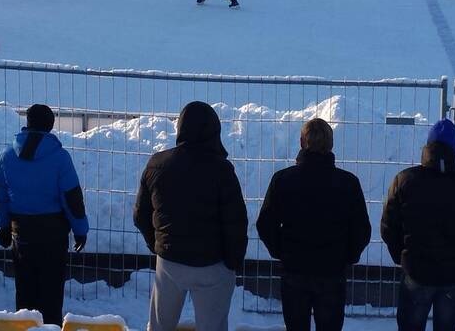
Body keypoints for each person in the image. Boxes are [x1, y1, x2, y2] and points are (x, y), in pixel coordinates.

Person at [134, 101, 247, 331]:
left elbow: (140, 215)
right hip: (212, 265)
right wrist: (232, 262)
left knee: (160, 326)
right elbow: (236, 222)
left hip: (169, 261)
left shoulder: (157, 164)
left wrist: (158, 245)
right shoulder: (222, 170)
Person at [256, 119, 370, 331]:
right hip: (332, 270)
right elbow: (362, 229)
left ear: (301, 142)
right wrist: (347, 256)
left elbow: (265, 224)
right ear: (331, 144)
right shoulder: (348, 183)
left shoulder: (283, 180)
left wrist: (282, 251)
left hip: (294, 268)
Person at [381, 120, 455, 331]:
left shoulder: (405, 181)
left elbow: (389, 226)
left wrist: (402, 256)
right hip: (454, 275)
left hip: (416, 272)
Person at [0, 104, 89, 322]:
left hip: (21, 233)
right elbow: (72, 199)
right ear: (51, 126)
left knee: (25, 291)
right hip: (53, 234)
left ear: (27, 123)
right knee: (51, 294)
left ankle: (25, 326)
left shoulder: (7, 155)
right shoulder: (60, 157)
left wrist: (4, 225)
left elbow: (0, 195)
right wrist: (80, 230)